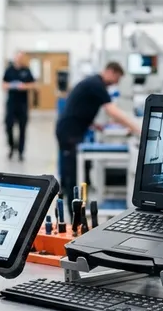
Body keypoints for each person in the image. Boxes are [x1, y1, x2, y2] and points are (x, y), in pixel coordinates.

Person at [55, 62, 141, 216]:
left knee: (83, 171)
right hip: (69, 132)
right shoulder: (96, 84)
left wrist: (96, 125)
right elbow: (112, 111)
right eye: (117, 78)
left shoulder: (94, 83)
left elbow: (81, 109)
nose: (116, 83)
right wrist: (138, 129)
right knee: (73, 175)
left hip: (75, 130)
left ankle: (81, 207)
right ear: (110, 72)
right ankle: (75, 215)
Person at [3, 51, 35, 161]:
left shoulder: (27, 70)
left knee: (22, 128)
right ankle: (12, 147)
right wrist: (11, 85)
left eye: (21, 57)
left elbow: (33, 85)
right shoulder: (9, 70)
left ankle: (21, 151)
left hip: (22, 104)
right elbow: (3, 84)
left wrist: (23, 86)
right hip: (11, 103)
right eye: (17, 57)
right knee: (9, 126)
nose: (19, 59)